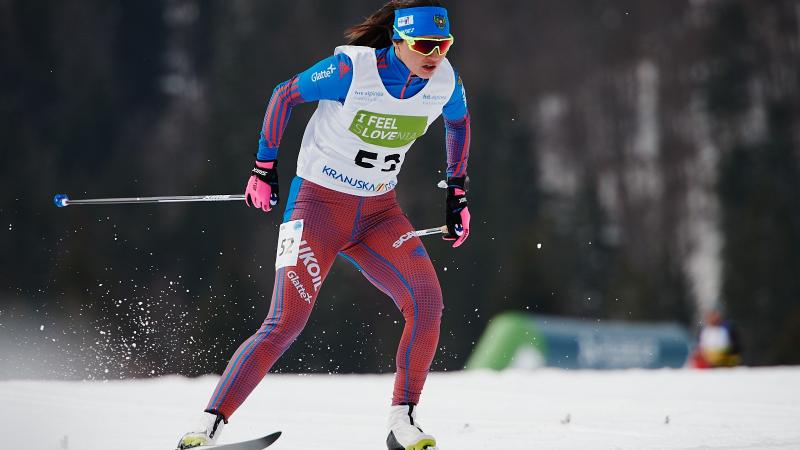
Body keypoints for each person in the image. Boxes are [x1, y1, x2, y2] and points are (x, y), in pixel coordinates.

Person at [176, 1, 470, 449]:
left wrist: (457, 193)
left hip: (379, 214)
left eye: (444, 44)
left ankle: (402, 420)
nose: (436, 54)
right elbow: (284, 94)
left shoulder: (445, 82)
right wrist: (263, 168)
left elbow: (459, 124)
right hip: (316, 208)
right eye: (425, 44)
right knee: (285, 322)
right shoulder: (352, 71)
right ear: (398, 41)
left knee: (428, 302)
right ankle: (206, 428)